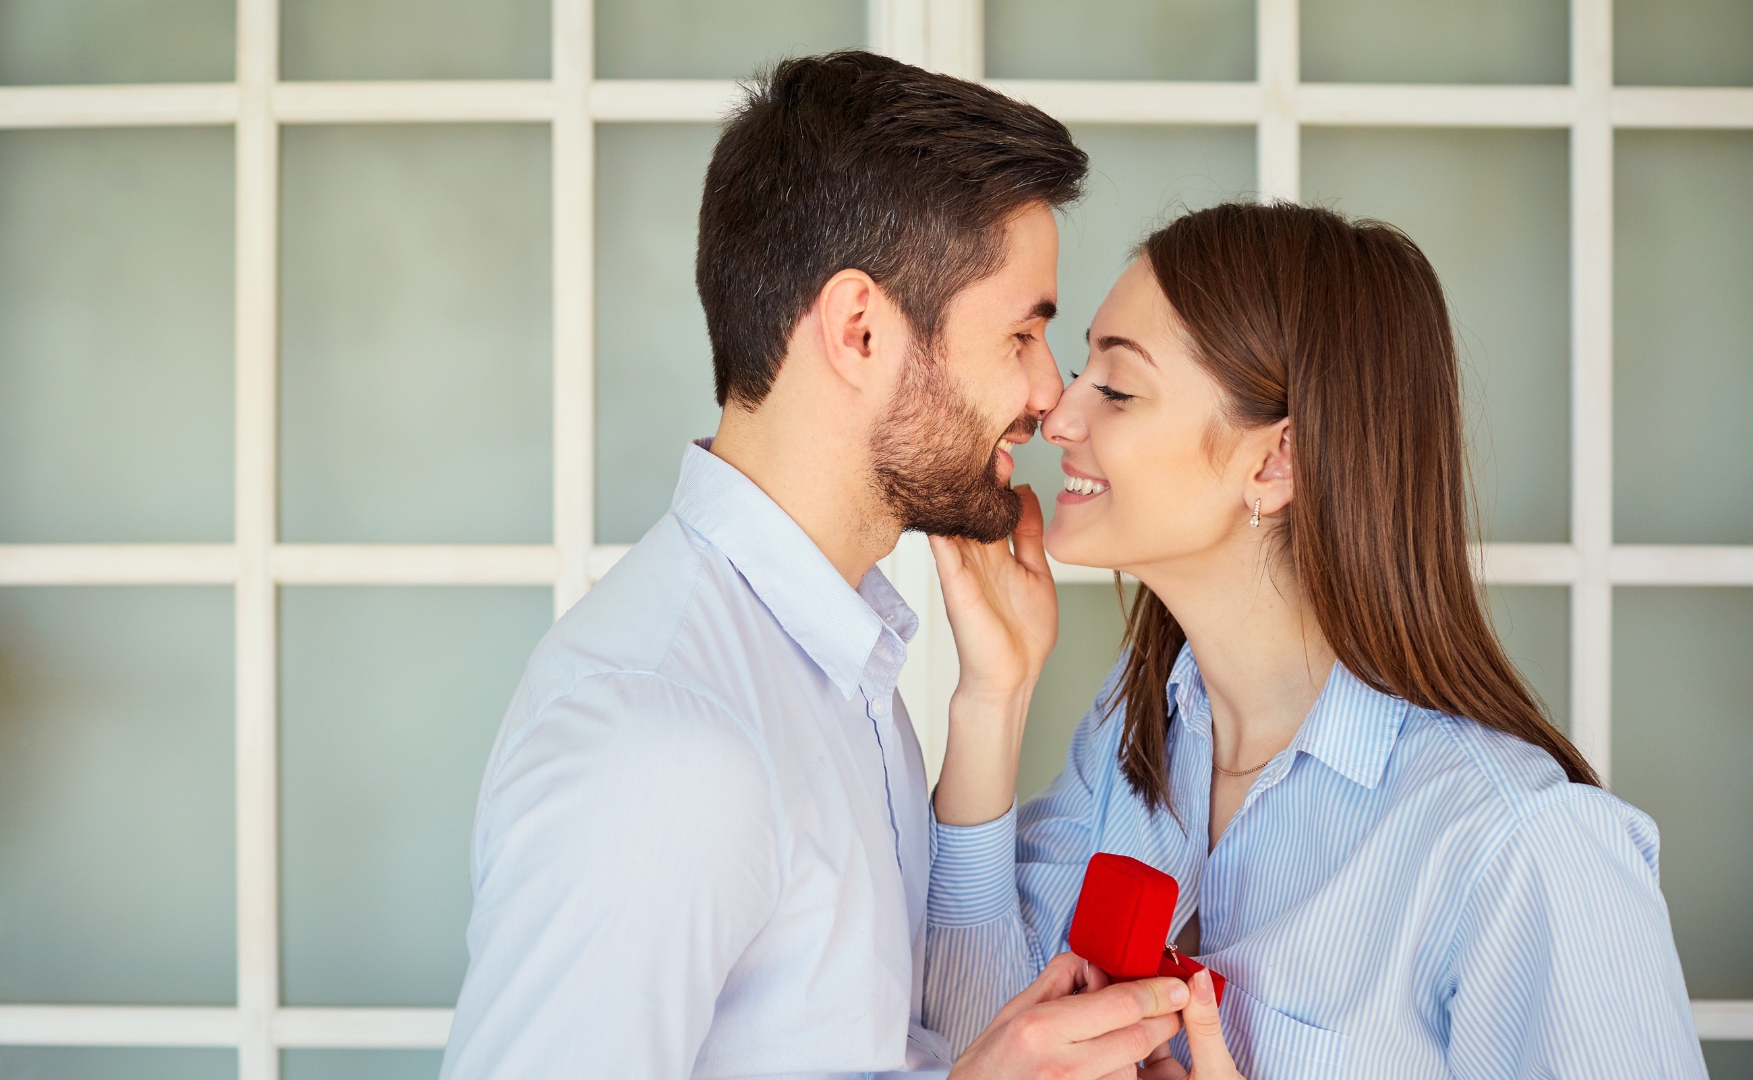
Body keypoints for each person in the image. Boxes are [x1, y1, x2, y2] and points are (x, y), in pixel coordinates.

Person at [440, 51, 1194, 1079]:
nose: (1046, 395)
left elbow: (900, 1041)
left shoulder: (837, 663)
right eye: (1020, 334)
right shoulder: (663, 740)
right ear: (859, 328)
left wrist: (995, 699)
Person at [922, 202, 1707, 1077]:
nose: (1057, 418)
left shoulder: (1522, 848)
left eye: (1115, 388)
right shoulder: (1134, 737)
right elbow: (971, 1041)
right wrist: (993, 696)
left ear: (1277, 459)